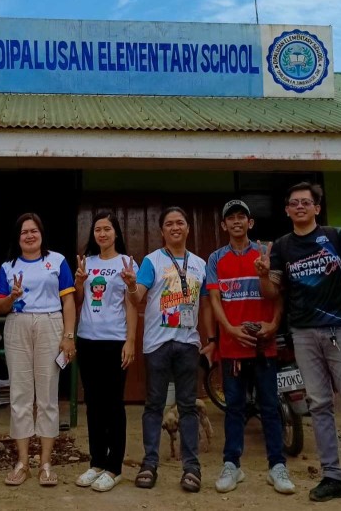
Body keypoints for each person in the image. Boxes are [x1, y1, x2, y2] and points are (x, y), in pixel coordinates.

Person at [255, 182, 341, 510]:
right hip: (302, 334)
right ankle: (332, 477)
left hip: (340, 330)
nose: (300, 207)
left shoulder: (337, 236)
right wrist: (263, 274)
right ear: (287, 210)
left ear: (316, 208)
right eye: (294, 203)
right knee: (319, 405)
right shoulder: (282, 247)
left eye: (306, 202)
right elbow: (271, 293)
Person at [204, 200, 295, 495]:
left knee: (270, 407)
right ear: (224, 225)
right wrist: (229, 330)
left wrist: (274, 325)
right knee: (234, 408)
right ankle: (232, 465)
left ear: (250, 223)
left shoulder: (267, 253)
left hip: (263, 345)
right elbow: (215, 301)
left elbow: (278, 295)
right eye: (230, 218)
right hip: (232, 347)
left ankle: (277, 466)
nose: (236, 222)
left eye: (241, 217)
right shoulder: (215, 258)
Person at [130, 206, 210, 493]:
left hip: (188, 343)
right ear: (162, 231)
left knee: (188, 407)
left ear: (188, 228)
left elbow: (207, 304)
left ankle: (192, 468)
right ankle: (149, 463)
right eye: (169, 224)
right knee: (154, 405)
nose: (175, 227)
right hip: (157, 343)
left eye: (180, 223)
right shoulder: (151, 261)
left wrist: (211, 340)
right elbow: (137, 297)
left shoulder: (200, 264)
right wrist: (130, 285)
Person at [0, 213, 76, 487]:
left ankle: (45, 462)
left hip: (50, 322)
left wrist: (68, 336)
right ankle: (22, 462)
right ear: (17, 238)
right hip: (17, 323)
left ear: (41, 234)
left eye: (34, 231)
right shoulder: (7, 267)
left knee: (47, 395)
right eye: (24, 232)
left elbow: (68, 301)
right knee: (19, 394)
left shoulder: (57, 261)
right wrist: (12, 297)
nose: (29, 236)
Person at [72, 211, 138, 493]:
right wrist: (79, 282)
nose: (102, 234)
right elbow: (78, 300)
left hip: (115, 341)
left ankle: (114, 467)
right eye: (97, 229)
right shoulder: (87, 262)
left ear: (116, 233)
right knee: (93, 404)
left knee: (113, 404)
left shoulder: (126, 263)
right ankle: (97, 461)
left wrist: (130, 341)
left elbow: (132, 304)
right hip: (88, 339)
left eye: (107, 229)